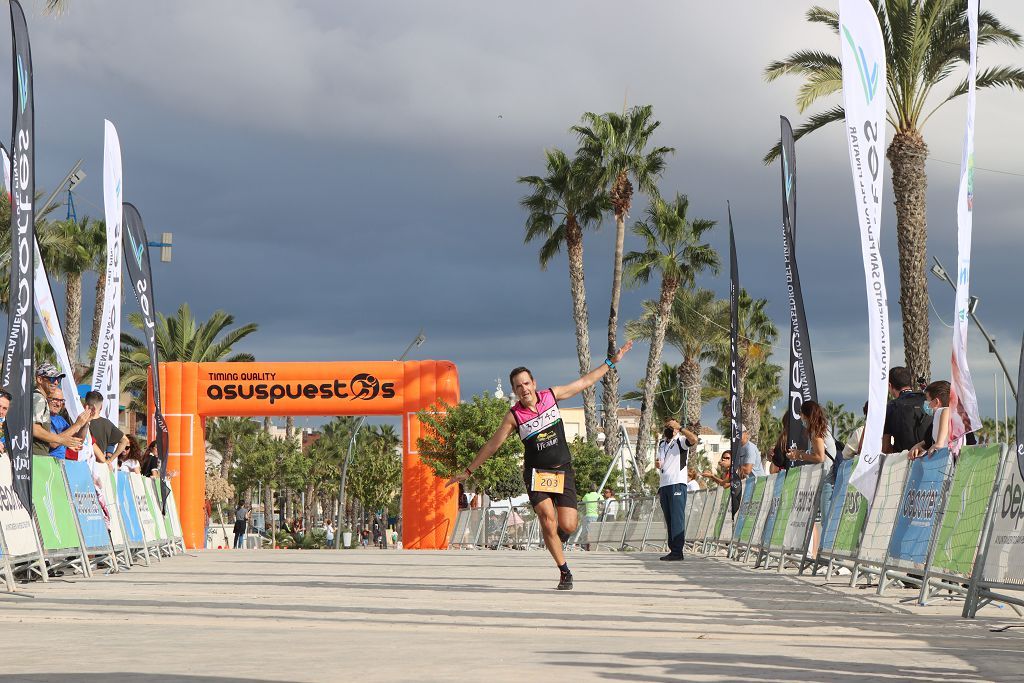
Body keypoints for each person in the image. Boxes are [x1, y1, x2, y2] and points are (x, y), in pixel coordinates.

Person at [445, 340, 634, 590]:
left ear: (534, 383)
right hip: (537, 474)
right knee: (546, 518)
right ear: (514, 391)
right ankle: (564, 571)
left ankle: (557, 538)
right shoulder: (514, 416)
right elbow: (492, 444)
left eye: (526, 383)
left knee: (568, 525)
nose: (523, 389)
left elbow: (584, 382)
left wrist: (611, 362)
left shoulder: (551, 396)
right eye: (518, 386)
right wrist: (468, 471)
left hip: (563, 470)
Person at [655, 418, 699, 561]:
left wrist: (680, 428)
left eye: (671, 426)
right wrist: (658, 464)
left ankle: (677, 551)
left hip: (677, 483)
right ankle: (672, 549)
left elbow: (694, 439)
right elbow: (660, 462)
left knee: (677, 518)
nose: (669, 427)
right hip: (664, 484)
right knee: (669, 518)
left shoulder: (680, 440)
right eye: (667, 425)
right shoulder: (662, 443)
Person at [787, 400, 837, 519]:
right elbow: (820, 452)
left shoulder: (815, 432)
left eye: (801, 413)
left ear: (806, 415)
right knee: (828, 519)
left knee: (826, 520)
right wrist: (802, 453)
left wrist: (799, 456)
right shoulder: (824, 428)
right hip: (831, 478)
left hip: (827, 481)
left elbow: (820, 457)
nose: (800, 417)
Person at [32, 364, 85, 456]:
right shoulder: (38, 397)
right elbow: (35, 429)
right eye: (52, 378)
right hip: (34, 457)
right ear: (39, 379)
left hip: (38, 456)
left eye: (58, 379)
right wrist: (61, 440)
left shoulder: (39, 398)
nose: (56, 382)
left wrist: (67, 442)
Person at [883, 366, 932, 454]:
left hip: (905, 459)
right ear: (910, 382)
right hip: (931, 456)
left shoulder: (891, 407)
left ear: (889, 385)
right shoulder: (928, 400)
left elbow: (886, 448)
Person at [909, 380, 956, 459]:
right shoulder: (940, 417)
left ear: (936, 401)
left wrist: (939, 443)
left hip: (946, 457)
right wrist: (919, 445)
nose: (926, 402)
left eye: (927, 399)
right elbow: (928, 438)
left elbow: (946, 411)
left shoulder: (942, 410)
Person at [83, 391, 129, 467]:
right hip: (100, 465)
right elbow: (125, 440)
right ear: (101, 407)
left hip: (83, 464)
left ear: (85, 405)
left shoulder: (80, 421)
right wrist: (110, 460)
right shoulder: (107, 424)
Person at [46, 388, 92, 460]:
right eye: (55, 399)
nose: (58, 404)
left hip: (60, 463)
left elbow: (78, 441)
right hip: (46, 462)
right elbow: (53, 443)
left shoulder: (61, 420)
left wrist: (85, 423)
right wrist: (77, 425)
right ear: (47, 399)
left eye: (61, 401)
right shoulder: (44, 418)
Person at [579, 484, 601, 549]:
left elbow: (581, 502)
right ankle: (592, 545)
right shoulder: (599, 496)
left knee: (586, 531)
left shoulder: (587, 496)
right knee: (595, 532)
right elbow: (603, 503)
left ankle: (584, 545)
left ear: (589, 489)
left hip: (588, 515)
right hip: (597, 516)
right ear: (596, 489)